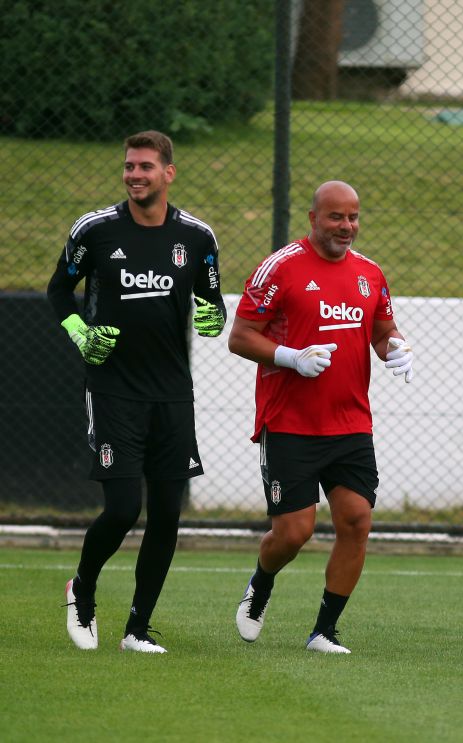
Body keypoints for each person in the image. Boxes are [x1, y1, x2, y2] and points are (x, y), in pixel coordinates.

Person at [48, 130, 227, 654]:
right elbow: (59, 289)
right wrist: (81, 335)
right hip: (113, 390)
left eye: (145, 166)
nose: (134, 175)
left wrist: (213, 318)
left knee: (167, 514)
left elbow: (211, 301)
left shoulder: (197, 237)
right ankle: (82, 589)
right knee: (125, 508)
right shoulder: (95, 230)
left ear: (168, 173)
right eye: (129, 166)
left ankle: (138, 628)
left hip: (172, 393)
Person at [230, 180, 414, 655]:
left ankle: (324, 632)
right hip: (289, 423)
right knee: (294, 533)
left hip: (350, 423)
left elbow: (383, 330)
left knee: (356, 520)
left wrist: (395, 348)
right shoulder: (280, 267)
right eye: (336, 217)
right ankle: (261, 583)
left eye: (353, 217)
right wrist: (290, 357)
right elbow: (240, 335)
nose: (346, 226)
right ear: (313, 218)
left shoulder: (369, 273)